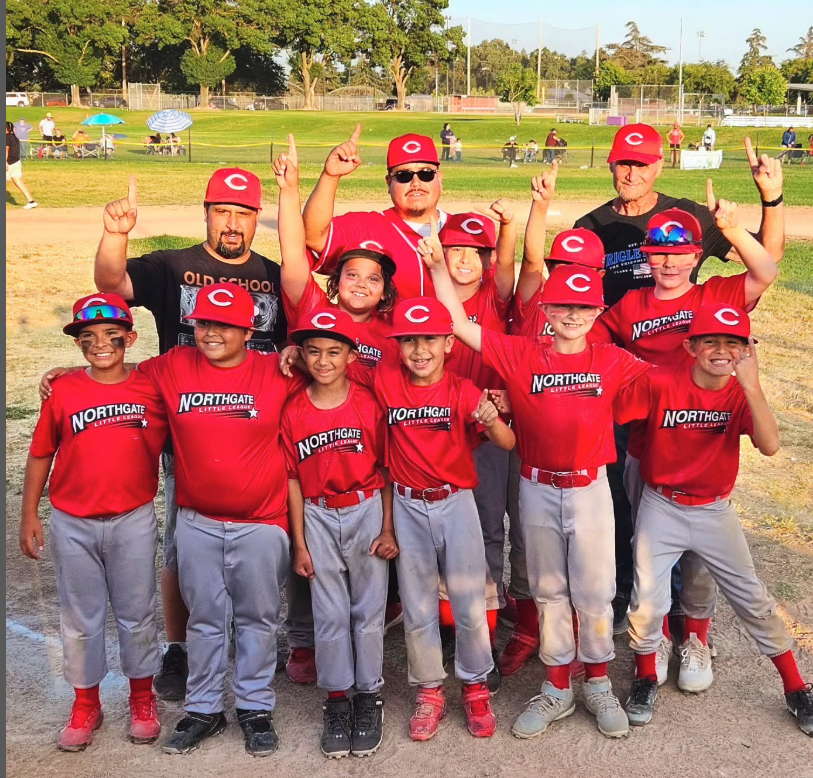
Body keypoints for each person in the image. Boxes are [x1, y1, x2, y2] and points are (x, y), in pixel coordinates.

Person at [89, 169, 311, 699]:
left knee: (264, 540)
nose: (232, 223)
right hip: (189, 429)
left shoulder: (272, 273)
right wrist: (116, 234)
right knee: (182, 550)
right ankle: (180, 647)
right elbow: (111, 284)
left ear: (256, 218)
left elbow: (299, 335)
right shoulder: (175, 266)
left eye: (243, 213)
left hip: (259, 434)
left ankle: (262, 635)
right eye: (222, 211)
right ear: (207, 212)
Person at [423, 245, 651, 740]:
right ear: (545, 310)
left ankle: (596, 683)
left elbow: (668, 381)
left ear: (598, 312)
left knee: (594, 593)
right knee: (549, 590)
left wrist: (730, 358)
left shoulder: (611, 359)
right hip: (537, 485)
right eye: (562, 306)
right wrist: (439, 268)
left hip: (590, 488)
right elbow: (460, 325)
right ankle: (556, 688)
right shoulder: (522, 351)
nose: (572, 314)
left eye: (583, 307)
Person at [573, 122, 785, 634]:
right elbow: (593, 336)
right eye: (624, 162)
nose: (631, 171)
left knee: (697, 515)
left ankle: (692, 627)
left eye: (641, 163)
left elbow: (765, 267)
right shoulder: (622, 285)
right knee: (640, 508)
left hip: (701, 415)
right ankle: (647, 611)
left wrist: (760, 208)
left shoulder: (707, 285)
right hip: (643, 416)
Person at [595, 191, 780, 686]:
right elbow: (598, 346)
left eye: (680, 252)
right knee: (648, 539)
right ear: (646, 257)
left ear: (696, 255)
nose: (669, 261)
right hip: (646, 439)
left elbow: (765, 272)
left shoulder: (712, 297)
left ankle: (694, 632)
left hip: (704, 438)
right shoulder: (631, 304)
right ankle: (653, 633)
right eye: (659, 252)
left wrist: (737, 229)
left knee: (700, 548)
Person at [115, 283, 304, 758]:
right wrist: (68, 374)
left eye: (224, 324)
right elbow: (117, 377)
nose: (211, 332)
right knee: (204, 620)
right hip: (197, 520)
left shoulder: (275, 370)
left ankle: (255, 708)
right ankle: (203, 709)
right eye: (203, 322)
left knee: (258, 619)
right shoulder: (173, 365)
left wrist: (298, 352)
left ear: (249, 329)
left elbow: (336, 375)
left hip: (262, 522)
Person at [615, 304, 813, 737]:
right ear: (690, 346)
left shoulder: (741, 392)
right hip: (661, 503)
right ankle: (646, 676)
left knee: (753, 598)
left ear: (747, 349)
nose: (721, 350)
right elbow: (614, 411)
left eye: (733, 342)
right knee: (647, 599)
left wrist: (753, 386)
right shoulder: (662, 379)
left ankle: (796, 687)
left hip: (712, 509)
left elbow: (771, 446)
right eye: (710, 341)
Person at [344, 296, 515, 742]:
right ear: (397, 346)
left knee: (469, 602)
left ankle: (476, 686)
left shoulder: (462, 390)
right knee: (419, 604)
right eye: (409, 341)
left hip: (456, 502)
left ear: (449, 344)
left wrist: (493, 418)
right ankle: (430, 690)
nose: (420, 349)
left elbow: (509, 441)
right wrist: (291, 355)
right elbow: (341, 367)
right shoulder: (385, 378)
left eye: (431, 339)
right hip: (406, 503)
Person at [20, 293, 169, 752]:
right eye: (88, 337)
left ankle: (143, 698)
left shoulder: (151, 387)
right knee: (80, 615)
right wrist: (29, 512)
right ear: (78, 344)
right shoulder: (64, 389)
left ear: (131, 338)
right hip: (73, 521)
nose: (101, 345)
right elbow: (42, 451)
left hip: (133, 517)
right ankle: (86, 702)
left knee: (137, 611)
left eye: (112, 336)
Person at [283, 308, 397, 759]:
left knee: (367, 610)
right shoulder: (293, 410)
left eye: (334, 350)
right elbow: (292, 478)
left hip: (366, 507)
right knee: (329, 613)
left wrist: (388, 527)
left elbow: (385, 469)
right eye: (314, 351)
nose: (324, 360)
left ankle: (369, 697)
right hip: (316, 513)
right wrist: (299, 542)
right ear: (302, 355)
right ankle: (336, 699)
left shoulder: (368, 404)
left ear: (352, 355)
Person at [436, 205, 517, 692]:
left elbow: (512, 268)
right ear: (439, 253)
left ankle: (484, 621)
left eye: (475, 250)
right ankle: (450, 617)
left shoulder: (496, 296)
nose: (464, 258)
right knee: (443, 529)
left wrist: (508, 228)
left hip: (486, 426)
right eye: (455, 249)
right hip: (438, 428)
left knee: (487, 526)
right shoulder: (427, 293)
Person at [303, 125, 450, 300]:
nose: (416, 183)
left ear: (439, 178)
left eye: (426, 174)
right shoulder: (366, 227)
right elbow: (313, 236)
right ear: (388, 182)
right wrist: (330, 176)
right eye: (404, 175)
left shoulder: (466, 231)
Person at [6, 121, 38, 209]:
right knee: (19, 182)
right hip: (16, 162)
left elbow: (6, 150)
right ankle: (31, 201)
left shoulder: (6, 137)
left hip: (9, 163)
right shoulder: (14, 137)